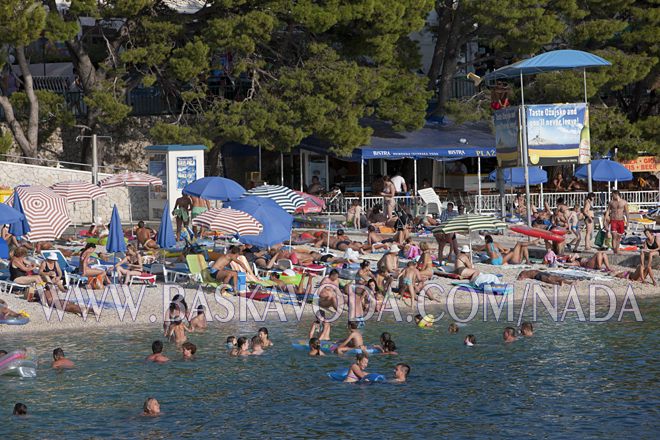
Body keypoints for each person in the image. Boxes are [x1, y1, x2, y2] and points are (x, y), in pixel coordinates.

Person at [606, 190, 629, 254]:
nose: (612, 196)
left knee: (619, 237)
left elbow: (627, 212)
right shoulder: (611, 202)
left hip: (621, 221)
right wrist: (605, 219)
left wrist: (628, 222)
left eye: (612, 195)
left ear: (616, 194)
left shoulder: (624, 202)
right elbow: (608, 211)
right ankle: (614, 250)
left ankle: (617, 249)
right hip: (613, 220)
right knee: (614, 236)